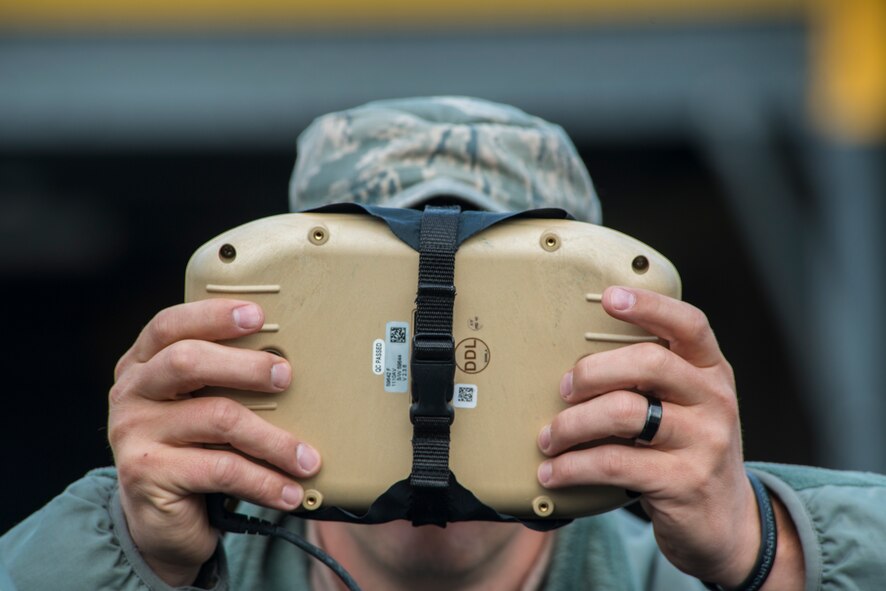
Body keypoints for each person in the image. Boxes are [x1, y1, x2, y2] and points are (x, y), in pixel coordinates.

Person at [2, 96, 885, 591]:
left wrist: (771, 552)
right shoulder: (179, 565)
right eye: (375, 315)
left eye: (494, 322)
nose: (431, 370)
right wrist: (124, 552)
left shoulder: (690, 576)